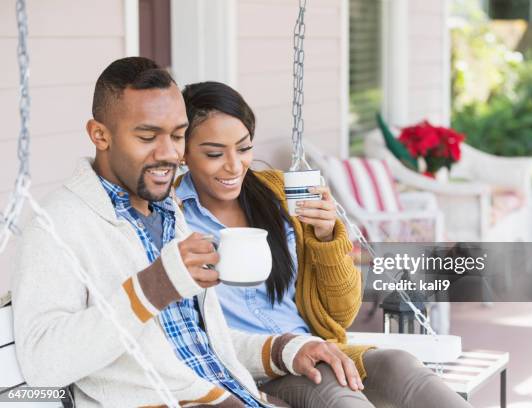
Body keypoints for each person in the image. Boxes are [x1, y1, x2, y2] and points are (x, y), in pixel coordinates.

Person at [12, 57, 362, 408]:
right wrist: (153, 286)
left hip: (241, 395)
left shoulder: (167, 212)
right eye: (147, 136)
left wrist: (285, 348)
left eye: (178, 136)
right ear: (100, 135)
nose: (169, 154)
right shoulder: (57, 226)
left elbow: (201, 343)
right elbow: (44, 363)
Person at [175, 81, 473, 407]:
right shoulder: (172, 217)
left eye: (244, 148)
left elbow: (341, 314)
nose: (234, 165)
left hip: (315, 349)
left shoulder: (276, 194)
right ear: (183, 153)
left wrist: (327, 238)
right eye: (215, 154)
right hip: (251, 367)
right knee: (334, 392)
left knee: (399, 365)